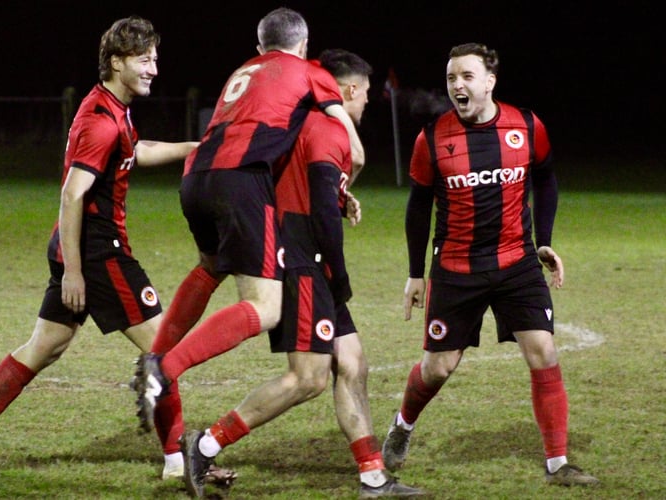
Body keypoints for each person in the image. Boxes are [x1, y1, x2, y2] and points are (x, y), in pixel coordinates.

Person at [0, 16, 199, 480]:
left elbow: (135, 151)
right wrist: (76, 271)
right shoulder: (100, 121)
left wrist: (196, 147)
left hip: (77, 244)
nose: (154, 69)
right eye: (144, 60)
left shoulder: (111, 107)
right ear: (116, 62)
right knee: (164, 348)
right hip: (98, 250)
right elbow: (72, 194)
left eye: (155, 59)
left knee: (47, 344)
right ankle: (180, 465)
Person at [177, 48, 427, 499]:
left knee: (353, 363)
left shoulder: (297, 120)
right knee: (307, 378)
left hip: (303, 253)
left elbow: (309, 188)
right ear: (349, 90)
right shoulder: (325, 126)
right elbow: (320, 213)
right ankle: (206, 444)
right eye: (366, 93)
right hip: (303, 260)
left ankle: (372, 477)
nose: (368, 101)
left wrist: (339, 194)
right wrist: (340, 275)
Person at [131, 6, 366, 473]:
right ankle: (165, 369)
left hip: (196, 177)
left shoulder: (243, 71)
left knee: (210, 266)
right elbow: (351, 144)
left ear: (260, 47)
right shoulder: (309, 71)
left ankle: (156, 358)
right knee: (266, 307)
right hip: (242, 183)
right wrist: (346, 184)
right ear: (301, 44)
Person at [380, 42, 600, 487]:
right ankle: (402, 426)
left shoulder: (526, 125)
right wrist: (413, 272)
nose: (457, 86)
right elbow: (419, 206)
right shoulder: (433, 138)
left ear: (489, 82)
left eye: (466, 76)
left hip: (516, 261)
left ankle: (558, 464)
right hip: (457, 269)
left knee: (543, 351)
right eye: (450, 79)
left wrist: (545, 242)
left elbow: (546, 177)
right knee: (438, 368)